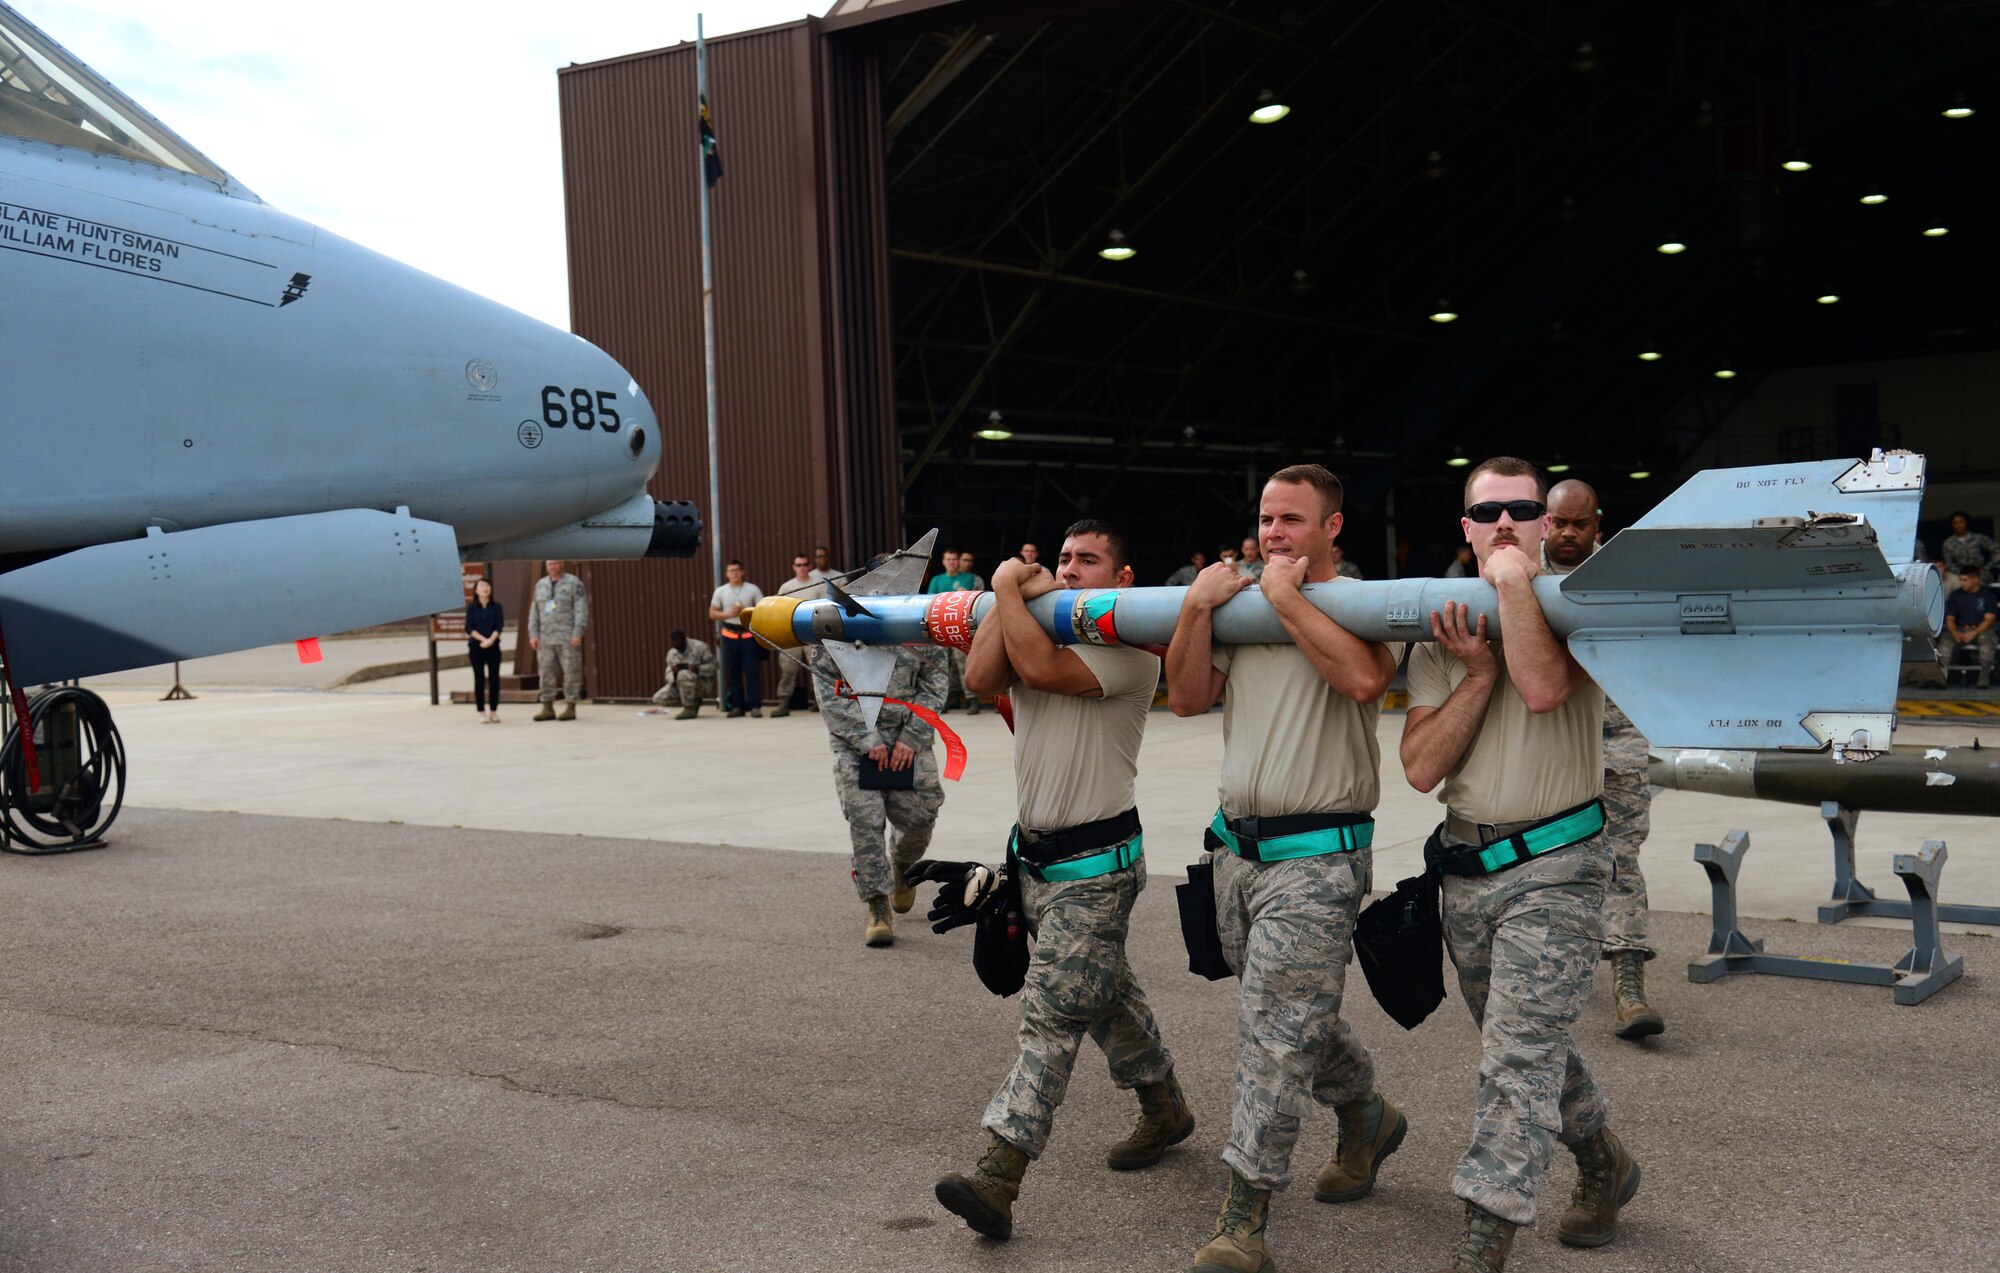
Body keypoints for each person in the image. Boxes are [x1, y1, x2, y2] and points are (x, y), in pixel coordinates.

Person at [1401, 457, 1641, 1270]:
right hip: (1468, 869)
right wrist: (1473, 674)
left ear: (1546, 522)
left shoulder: (1581, 607)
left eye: (1522, 509)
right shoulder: (1446, 628)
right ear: (1464, 528)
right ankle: (1602, 1155)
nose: (1505, 522)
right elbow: (1420, 766)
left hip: (1560, 864)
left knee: (1514, 1056)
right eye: (1488, 512)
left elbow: (1543, 687)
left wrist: (1512, 583)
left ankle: (1484, 1235)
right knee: (1525, 1045)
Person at [1166, 464, 1405, 1273]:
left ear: (1332, 527)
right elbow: (1188, 697)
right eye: (1267, 518)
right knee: (1288, 1011)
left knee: (1272, 1031)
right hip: (1237, 851)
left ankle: (1245, 1217)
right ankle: (1365, 1109)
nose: (1273, 533)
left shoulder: (1366, 601)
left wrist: (1284, 598)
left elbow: (1368, 677)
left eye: (1292, 520)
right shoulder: (1241, 607)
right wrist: (1199, 607)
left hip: (1319, 853)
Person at [932, 520, 1190, 1242]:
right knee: (1105, 999)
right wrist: (1006, 591)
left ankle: (999, 1172)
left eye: (1090, 561)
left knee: (1051, 1018)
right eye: (1065, 559)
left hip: (1096, 872)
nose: (1071, 571)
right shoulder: (1026, 628)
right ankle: (1166, 1105)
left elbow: (1042, 671)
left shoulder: (1132, 655)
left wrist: (1010, 584)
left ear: (1124, 579)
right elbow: (980, 678)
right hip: (1035, 863)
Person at [1543, 480, 1663, 1040]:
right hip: (1545, 743)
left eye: (1579, 524)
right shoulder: (1517, 572)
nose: (1568, 533)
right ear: (1545, 521)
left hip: (1615, 743)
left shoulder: (1626, 579)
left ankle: (1628, 985)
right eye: (1559, 523)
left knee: (1620, 862)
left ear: (1598, 524)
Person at [812, 634, 949, 946]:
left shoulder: (915, 625)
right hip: (854, 746)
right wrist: (866, 738)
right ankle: (877, 905)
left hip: (909, 740)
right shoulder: (832, 634)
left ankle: (902, 863)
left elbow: (935, 682)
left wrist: (913, 736)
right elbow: (828, 694)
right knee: (866, 823)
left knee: (920, 818)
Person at [529, 560, 587, 721]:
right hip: (545, 638)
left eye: (555, 563)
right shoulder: (541, 584)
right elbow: (534, 610)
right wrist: (533, 633)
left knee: (571, 672)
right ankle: (547, 707)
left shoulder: (574, 583)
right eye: (549, 564)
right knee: (546, 673)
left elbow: (581, 609)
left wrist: (577, 633)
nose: (552, 566)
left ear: (562, 564)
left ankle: (570, 706)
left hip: (567, 637)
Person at [928, 551, 983, 714]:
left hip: (961, 628)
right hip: (940, 628)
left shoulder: (969, 579)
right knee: (944, 665)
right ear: (943, 562)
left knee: (964, 663)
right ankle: (948, 699)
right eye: (948, 559)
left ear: (958, 562)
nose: (952, 562)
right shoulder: (937, 580)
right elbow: (929, 601)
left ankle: (973, 699)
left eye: (954, 560)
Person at [709, 560, 765, 717]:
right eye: (731, 570)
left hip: (748, 636)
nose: (734, 573)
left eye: (737, 570)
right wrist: (728, 614)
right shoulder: (720, 591)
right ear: (726, 574)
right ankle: (737, 707)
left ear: (742, 572)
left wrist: (745, 610)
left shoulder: (752, 589)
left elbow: (763, 610)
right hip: (729, 636)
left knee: (752, 672)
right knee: (733, 673)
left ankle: (755, 706)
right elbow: (712, 613)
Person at [773, 554, 821, 716]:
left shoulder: (818, 585)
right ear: (794, 567)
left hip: (813, 633)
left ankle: (819, 701)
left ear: (809, 566)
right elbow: (777, 609)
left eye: (805, 564)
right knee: (788, 669)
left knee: (818, 668)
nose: (802, 568)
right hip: (791, 633)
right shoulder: (787, 587)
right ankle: (783, 703)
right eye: (798, 565)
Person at [1939, 566, 1998, 688]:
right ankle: (1940, 677)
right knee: (1945, 641)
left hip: (1982, 629)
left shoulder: (1988, 596)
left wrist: (1974, 633)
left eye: (1965, 580)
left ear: (1975, 579)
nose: (1961, 583)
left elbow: (1989, 619)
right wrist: (1955, 633)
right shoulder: (1956, 595)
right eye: (1960, 579)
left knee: (1987, 642)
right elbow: (1950, 619)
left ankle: (1984, 678)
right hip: (1960, 629)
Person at [465, 576, 505, 724]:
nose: (485, 588)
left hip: (493, 646)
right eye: (481, 586)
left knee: (494, 679)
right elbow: (469, 628)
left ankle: (493, 711)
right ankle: (481, 711)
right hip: (477, 647)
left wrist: (490, 641)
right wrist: (483, 640)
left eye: (487, 585)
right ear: (476, 590)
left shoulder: (497, 606)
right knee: (479, 679)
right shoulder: (471, 608)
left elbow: (499, 626)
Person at [653, 629, 716, 719]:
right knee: (658, 698)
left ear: (683, 639)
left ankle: (689, 709)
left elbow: (714, 666)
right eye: (674, 644)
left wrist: (698, 669)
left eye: (678, 643)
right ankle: (694, 702)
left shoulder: (700, 647)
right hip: (680, 685)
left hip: (701, 684)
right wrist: (674, 674)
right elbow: (668, 673)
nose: (677, 646)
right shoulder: (672, 653)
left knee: (684, 674)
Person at [1940, 512, 1997, 585]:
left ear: (1967, 523)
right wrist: (1961, 574)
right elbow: (1948, 562)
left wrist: (1987, 566)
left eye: (1961, 522)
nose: (1958, 525)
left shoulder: (1978, 538)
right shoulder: (1948, 542)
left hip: (1979, 573)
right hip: (1958, 574)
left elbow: (1997, 550)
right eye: (1955, 523)